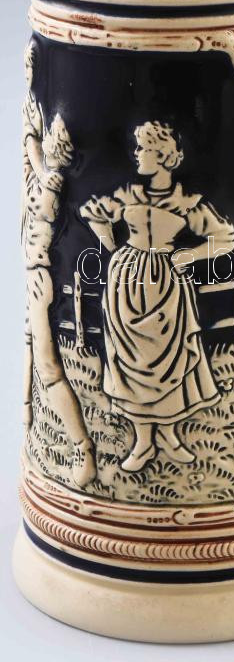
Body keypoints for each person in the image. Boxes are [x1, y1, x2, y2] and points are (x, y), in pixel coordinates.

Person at [80, 120, 234, 472]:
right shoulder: (128, 195)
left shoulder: (186, 202)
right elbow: (92, 212)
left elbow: (226, 238)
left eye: (144, 148)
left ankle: (168, 436)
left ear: (164, 155)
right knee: (131, 360)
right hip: (127, 284)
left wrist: (191, 255)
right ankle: (143, 442)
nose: (136, 154)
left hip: (167, 285)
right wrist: (113, 249)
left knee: (169, 360)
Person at [22, 41, 96, 487]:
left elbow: (34, 152)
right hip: (37, 279)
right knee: (43, 366)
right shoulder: (46, 174)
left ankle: (83, 451)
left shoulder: (51, 183)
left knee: (49, 370)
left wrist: (35, 98)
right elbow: (32, 143)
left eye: (53, 136)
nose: (46, 137)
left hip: (39, 283)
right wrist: (35, 83)